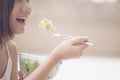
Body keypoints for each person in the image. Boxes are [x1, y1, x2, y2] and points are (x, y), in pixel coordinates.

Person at [0, 0, 89, 80]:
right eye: (19, 0)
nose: (28, 8)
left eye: (28, 0)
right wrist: (56, 57)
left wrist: (38, 75)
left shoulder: (10, 50)